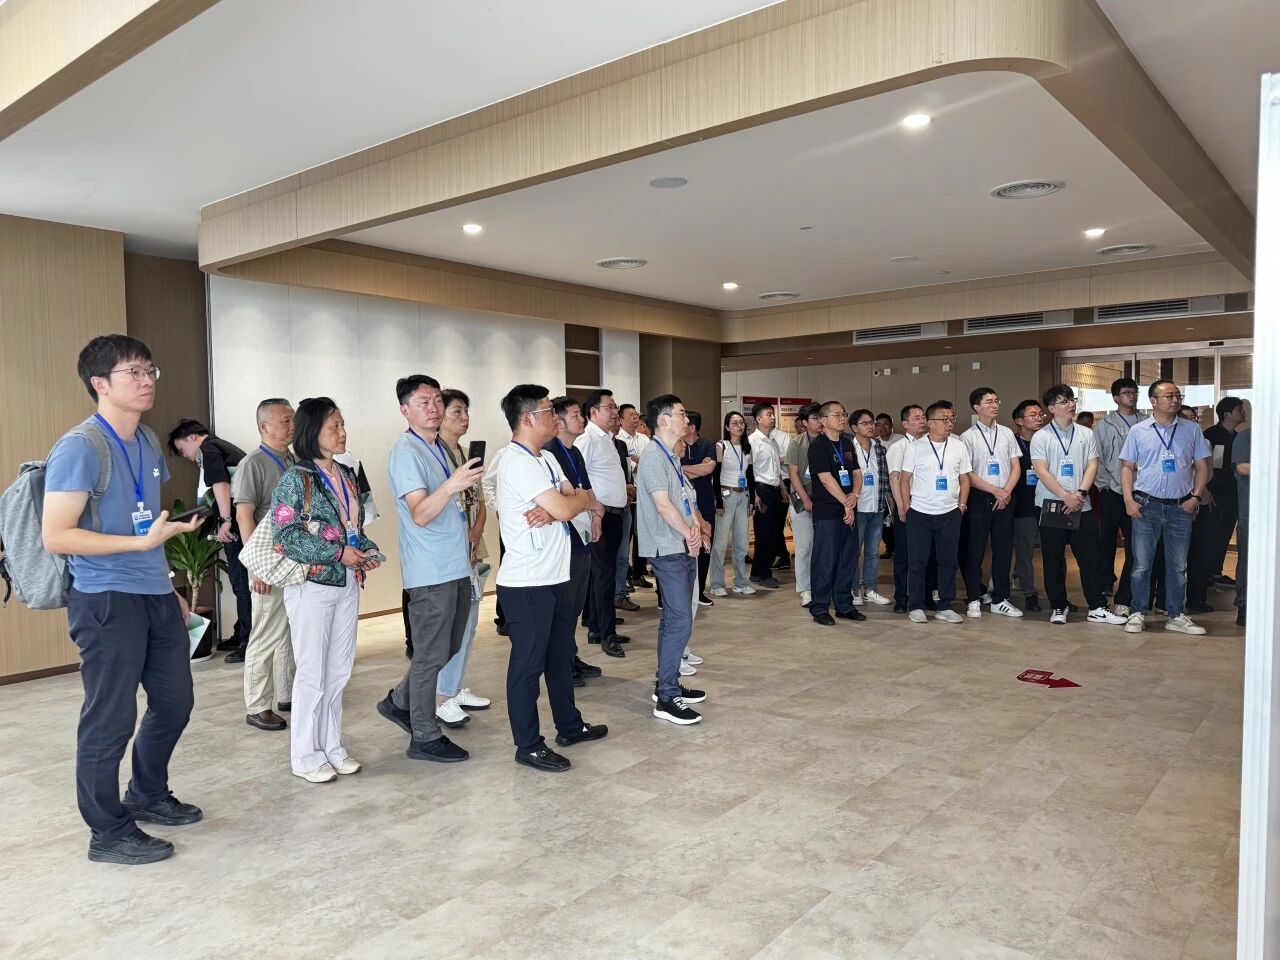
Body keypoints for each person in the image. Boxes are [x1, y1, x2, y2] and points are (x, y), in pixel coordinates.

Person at [42, 335, 205, 865]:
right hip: (105, 598)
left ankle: (147, 793)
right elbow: (57, 535)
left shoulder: (148, 440)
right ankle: (107, 831)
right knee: (110, 719)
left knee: (175, 702)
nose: (146, 380)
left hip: (154, 593)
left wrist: (171, 586)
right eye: (133, 372)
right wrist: (138, 546)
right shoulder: (80, 446)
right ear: (100, 384)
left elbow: (149, 523)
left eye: (149, 370)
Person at [496, 384, 607, 771]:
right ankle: (528, 745)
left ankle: (570, 726)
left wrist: (567, 503)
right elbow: (568, 503)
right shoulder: (516, 462)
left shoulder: (545, 457)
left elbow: (575, 496)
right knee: (527, 667)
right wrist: (567, 504)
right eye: (548, 412)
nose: (555, 418)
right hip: (527, 583)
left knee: (560, 656)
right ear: (529, 419)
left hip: (555, 574)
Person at [377, 376, 485, 765]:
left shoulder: (439, 446)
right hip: (430, 570)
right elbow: (420, 513)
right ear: (405, 410)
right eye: (424, 402)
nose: (434, 407)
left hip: (455, 563)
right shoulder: (406, 452)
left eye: (437, 400)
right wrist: (453, 485)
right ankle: (424, 735)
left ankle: (399, 701)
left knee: (449, 646)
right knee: (430, 653)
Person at [273, 397, 381, 783]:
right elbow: (285, 536)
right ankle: (305, 755)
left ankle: (331, 746)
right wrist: (338, 553)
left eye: (342, 424)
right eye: (334, 426)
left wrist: (365, 551)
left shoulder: (347, 474)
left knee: (338, 670)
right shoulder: (296, 478)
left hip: (347, 581)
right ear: (312, 431)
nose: (342, 432)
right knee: (311, 674)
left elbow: (354, 526)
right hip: (312, 586)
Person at [636, 395, 710, 723]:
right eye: (681, 414)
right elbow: (663, 505)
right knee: (680, 620)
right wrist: (689, 532)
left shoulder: (671, 456)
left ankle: (667, 684)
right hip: (667, 547)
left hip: (681, 544)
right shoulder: (654, 456)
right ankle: (666, 697)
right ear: (663, 420)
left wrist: (697, 528)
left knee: (674, 619)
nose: (687, 420)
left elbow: (683, 498)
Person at [1119, 379, 1212, 636]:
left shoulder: (1191, 429)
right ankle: (1137, 611)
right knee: (1141, 565)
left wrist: (1196, 496)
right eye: (1169, 396)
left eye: (1178, 396)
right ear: (1153, 401)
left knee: (1178, 566)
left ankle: (1176, 614)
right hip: (1145, 505)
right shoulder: (1139, 430)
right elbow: (1127, 467)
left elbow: (1202, 465)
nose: (1175, 400)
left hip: (1180, 507)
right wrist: (1128, 500)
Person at [1030, 385, 1126, 627]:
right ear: (1052, 408)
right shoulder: (1042, 436)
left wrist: (1080, 493)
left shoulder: (1085, 433)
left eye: (1072, 400)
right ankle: (1058, 606)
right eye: (1064, 401)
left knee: (1091, 557)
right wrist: (1065, 496)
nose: (1071, 404)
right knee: (1053, 559)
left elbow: (1092, 464)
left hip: (1081, 505)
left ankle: (1097, 607)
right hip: (1052, 505)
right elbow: (1041, 471)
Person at [231, 398, 298, 732]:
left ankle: (287, 694)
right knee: (265, 633)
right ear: (264, 426)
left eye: (292, 419)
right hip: (266, 562)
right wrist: (255, 567)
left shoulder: (293, 461)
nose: (292, 426)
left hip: (292, 561)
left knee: (287, 631)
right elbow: (243, 515)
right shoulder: (253, 464)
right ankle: (257, 705)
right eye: (285, 420)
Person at [167, 419, 251, 662]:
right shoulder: (222, 447)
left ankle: (247, 641)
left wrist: (226, 520)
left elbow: (221, 485)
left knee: (241, 580)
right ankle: (242, 633)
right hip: (241, 518)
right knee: (241, 580)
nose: (186, 456)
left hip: (235, 521)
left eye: (182, 449)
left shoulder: (209, 448)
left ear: (192, 437)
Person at [434, 388, 493, 719]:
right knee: (450, 625)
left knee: (469, 623)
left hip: (472, 547)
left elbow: (480, 503)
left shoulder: (467, 454)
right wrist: (463, 541)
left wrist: (475, 535)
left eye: (466, 411)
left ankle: (455, 687)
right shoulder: (434, 455)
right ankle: (441, 696)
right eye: (456, 411)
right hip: (450, 552)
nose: (464, 417)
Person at [544, 395, 606, 685]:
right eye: (574, 415)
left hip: (582, 534)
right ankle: (561, 664)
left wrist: (596, 514)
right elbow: (564, 498)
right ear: (558, 421)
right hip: (564, 536)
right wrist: (584, 502)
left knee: (576, 602)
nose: (581, 419)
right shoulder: (550, 452)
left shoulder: (576, 452)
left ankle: (570, 655)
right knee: (564, 604)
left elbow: (586, 491)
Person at [897, 401, 969, 624]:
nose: (949, 423)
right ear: (930, 423)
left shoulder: (958, 446)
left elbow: (965, 478)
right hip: (920, 512)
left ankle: (945, 605)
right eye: (943, 419)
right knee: (917, 562)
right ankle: (916, 605)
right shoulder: (915, 447)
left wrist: (961, 506)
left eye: (951, 419)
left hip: (950, 512)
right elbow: (904, 479)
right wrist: (907, 506)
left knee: (948, 561)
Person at [959, 388, 1022, 619]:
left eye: (996, 401)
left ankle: (1001, 599)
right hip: (979, 498)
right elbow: (968, 473)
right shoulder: (967, 437)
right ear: (976, 407)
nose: (995, 405)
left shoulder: (1006, 433)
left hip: (1005, 498)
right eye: (989, 401)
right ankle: (973, 598)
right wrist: (995, 490)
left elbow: (1015, 466)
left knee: (1003, 550)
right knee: (974, 551)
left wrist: (1006, 492)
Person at [574, 389, 628, 657]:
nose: (615, 411)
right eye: (609, 407)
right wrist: (594, 512)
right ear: (593, 412)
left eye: (615, 407)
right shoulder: (587, 439)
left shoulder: (607, 439)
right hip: (600, 517)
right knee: (604, 577)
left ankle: (597, 627)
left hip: (614, 515)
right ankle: (607, 634)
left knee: (603, 575)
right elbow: (578, 479)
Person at [1093, 378, 1149, 616]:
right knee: (1106, 540)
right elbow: (1096, 458)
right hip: (1112, 492)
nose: (1131, 396)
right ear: (1116, 397)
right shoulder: (1103, 425)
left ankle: (1126, 595)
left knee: (1136, 546)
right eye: (1126, 392)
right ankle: (1105, 580)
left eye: (1134, 392)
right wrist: (1106, 485)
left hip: (1140, 491)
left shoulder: (1147, 422)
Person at [806, 401, 864, 625]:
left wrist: (855, 496)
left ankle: (844, 605)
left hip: (849, 508)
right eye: (836, 415)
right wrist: (847, 504)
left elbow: (857, 473)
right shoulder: (818, 446)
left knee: (848, 559)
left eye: (844, 414)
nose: (842, 418)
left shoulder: (847, 443)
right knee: (826, 560)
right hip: (828, 512)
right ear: (823, 420)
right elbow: (825, 479)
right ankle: (820, 608)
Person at [1186, 396, 1246, 610]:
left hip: (1232, 493)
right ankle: (1207, 574)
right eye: (1239, 409)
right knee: (1210, 536)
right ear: (1228, 414)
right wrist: (1206, 492)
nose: (1243, 413)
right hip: (1213, 495)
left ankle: (1215, 571)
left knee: (1224, 533)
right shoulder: (1212, 435)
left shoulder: (1236, 436)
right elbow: (1213, 468)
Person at [887, 404, 932, 613]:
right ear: (905, 424)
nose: (922, 421)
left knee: (926, 554)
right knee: (904, 555)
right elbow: (895, 478)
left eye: (923, 417)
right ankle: (902, 598)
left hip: (928, 504)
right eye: (917, 418)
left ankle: (925, 596)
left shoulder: (930, 443)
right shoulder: (899, 447)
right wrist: (901, 506)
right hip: (908, 503)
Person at [848, 409, 892, 606]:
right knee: (854, 550)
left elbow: (885, 477)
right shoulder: (848, 448)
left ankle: (870, 589)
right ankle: (854, 589)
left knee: (873, 552)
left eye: (872, 422)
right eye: (865, 423)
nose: (871, 426)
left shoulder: (880, 448)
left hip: (877, 506)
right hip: (857, 507)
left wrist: (888, 502)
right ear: (854, 427)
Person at [709, 411, 755, 597]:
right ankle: (717, 583)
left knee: (742, 542)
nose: (739, 426)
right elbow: (715, 475)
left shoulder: (747, 447)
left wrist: (752, 498)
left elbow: (750, 474)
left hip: (743, 495)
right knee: (720, 542)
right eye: (735, 423)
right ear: (727, 427)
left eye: (741, 422)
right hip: (726, 495)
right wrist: (718, 501)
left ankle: (741, 582)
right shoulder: (721, 446)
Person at [679, 410, 718, 606]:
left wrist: (683, 469)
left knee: (705, 547)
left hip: (705, 501)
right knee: (684, 547)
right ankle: (681, 593)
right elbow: (674, 472)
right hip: (683, 506)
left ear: (692, 427)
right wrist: (698, 469)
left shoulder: (708, 445)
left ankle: (700, 591)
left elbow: (709, 469)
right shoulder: (677, 445)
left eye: (685, 422)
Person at [1010, 400, 1045, 612]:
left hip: (1046, 502)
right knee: (1025, 551)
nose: (1039, 418)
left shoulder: (1046, 440)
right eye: (1033, 415)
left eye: (1040, 414)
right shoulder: (1012, 443)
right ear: (1019, 421)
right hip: (1022, 504)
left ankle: (1019, 577)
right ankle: (1029, 593)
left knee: (1050, 550)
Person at [786, 404, 823, 606]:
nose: (819, 422)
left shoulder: (829, 440)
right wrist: (806, 500)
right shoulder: (797, 443)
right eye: (815, 418)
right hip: (803, 500)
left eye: (821, 417)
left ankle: (823, 586)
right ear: (805, 422)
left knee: (824, 546)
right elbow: (793, 473)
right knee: (804, 546)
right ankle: (805, 589)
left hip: (826, 502)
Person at [747, 402, 788, 587]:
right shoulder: (752, 441)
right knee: (764, 535)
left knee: (773, 533)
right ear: (758, 419)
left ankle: (756, 572)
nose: (772, 417)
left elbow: (776, 469)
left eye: (773, 414)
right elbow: (749, 471)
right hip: (761, 490)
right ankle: (765, 575)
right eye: (768, 414)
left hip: (775, 489)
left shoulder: (772, 440)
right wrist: (754, 494)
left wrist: (783, 488)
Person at [617, 403, 652, 593]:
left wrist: (639, 461)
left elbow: (648, 463)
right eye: (630, 414)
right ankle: (626, 577)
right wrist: (639, 462)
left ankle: (638, 573)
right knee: (626, 537)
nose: (635, 416)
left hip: (643, 493)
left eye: (636, 413)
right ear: (621, 419)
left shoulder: (644, 438)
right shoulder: (618, 439)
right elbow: (628, 467)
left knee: (641, 536)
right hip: (627, 494)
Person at [875, 412, 904, 558]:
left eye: (885, 424)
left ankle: (900, 548)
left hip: (899, 485)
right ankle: (889, 547)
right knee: (885, 520)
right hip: (883, 488)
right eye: (878, 425)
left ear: (891, 425)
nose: (882, 427)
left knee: (899, 519)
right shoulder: (875, 443)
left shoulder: (901, 440)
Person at [1233, 427, 1250, 627]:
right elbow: (1242, 467)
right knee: (1247, 560)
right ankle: (1244, 605)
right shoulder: (1246, 437)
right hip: (1250, 513)